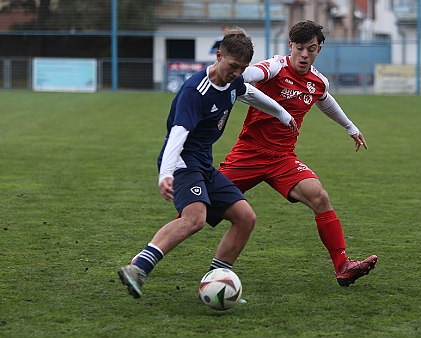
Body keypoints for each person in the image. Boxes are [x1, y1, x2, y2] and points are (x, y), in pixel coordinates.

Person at [118, 28, 297, 299]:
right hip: (182, 161)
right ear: (218, 56)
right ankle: (138, 268)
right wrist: (165, 173)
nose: (236, 73)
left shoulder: (233, 81)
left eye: (242, 68)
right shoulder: (195, 90)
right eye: (233, 66)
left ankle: (217, 281)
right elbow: (178, 132)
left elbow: (248, 92)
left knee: (245, 218)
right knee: (194, 219)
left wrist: (282, 114)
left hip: (203, 164)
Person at [218, 20, 377, 287]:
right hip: (249, 154)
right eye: (300, 48)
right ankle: (147, 258)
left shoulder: (317, 81)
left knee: (320, 196)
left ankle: (343, 266)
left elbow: (325, 100)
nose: (304, 55)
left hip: (283, 159)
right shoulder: (274, 67)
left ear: (319, 49)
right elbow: (243, 80)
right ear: (290, 45)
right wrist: (277, 110)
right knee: (199, 209)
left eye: (311, 49)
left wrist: (351, 128)